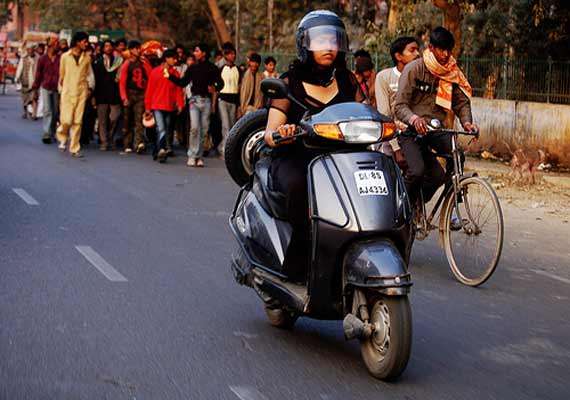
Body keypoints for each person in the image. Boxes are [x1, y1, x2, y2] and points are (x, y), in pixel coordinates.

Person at [264, 10, 364, 281]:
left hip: (341, 159)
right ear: (305, 44)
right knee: (301, 188)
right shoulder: (289, 81)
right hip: (297, 158)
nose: (328, 47)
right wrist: (281, 132)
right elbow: (269, 133)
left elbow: (366, 112)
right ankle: (297, 264)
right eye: (320, 41)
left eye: (333, 41)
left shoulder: (347, 80)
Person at [394, 26, 478, 206]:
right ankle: (403, 208)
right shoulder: (414, 69)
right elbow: (399, 106)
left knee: (455, 158)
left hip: (435, 129)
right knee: (417, 171)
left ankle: (450, 205)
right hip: (411, 131)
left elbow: (461, 102)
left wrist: (467, 122)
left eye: (449, 50)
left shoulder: (450, 71)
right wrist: (413, 119)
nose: (446, 54)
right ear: (431, 47)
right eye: (442, 49)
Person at [166, 43, 223, 167]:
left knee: (204, 130)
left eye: (197, 51)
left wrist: (214, 87)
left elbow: (221, 84)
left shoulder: (212, 68)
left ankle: (199, 156)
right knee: (194, 128)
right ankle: (192, 155)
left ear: (204, 53)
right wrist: (170, 77)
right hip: (194, 101)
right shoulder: (192, 68)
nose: (195, 53)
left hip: (206, 101)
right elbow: (182, 82)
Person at [375, 36, 420, 166]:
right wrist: (396, 148)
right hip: (391, 139)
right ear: (398, 56)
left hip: (415, 137)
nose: (417, 54)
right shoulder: (384, 77)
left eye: (418, 50)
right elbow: (384, 114)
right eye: (412, 50)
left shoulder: (420, 77)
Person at [56, 31, 94, 158]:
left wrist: (89, 88)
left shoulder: (87, 58)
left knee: (77, 121)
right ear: (77, 42)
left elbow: (89, 75)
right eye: (84, 41)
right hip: (67, 92)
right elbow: (61, 76)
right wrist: (61, 90)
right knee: (66, 120)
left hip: (81, 92)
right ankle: (62, 134)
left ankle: (74, 148)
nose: (86, 44)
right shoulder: (65, 57)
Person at [144, 48, 184, 163]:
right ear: (166, 59)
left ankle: (157, 150)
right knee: (161, 128)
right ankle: (161, 149)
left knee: (165, 129)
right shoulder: (155, 72)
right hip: (157, 105)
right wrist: (147, 107)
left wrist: (180, 104)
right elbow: (149, 90)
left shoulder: (175, 73)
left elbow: (178, 90)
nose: (175, 60)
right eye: (173, 58)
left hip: (170, 106)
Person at [120, 40, 152, 154]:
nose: (138, 50)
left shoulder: (144, 62)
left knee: (139, 120)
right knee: (127, 120)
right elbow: (122, 82)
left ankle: (138, 143)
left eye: (139, 48)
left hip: (141, 94)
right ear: (131, 50)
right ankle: (127, 144)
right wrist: (124, 98)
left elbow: (150, 77)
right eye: (136, 48)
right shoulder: (126, 64)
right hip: (129, 93)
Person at [93, 40, 123, 151]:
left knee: (114, 117)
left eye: (110, 45)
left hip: (115, 94)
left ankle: (109, 137)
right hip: (101, 94)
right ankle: (104, 142)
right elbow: (94, 80)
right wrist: (93, 97)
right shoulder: (97, 62)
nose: (108, 47)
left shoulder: (118, 61)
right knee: (102, 120)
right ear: (102, 48)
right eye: (106, 46)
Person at [33, 37, 61, 144]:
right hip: (45, 87)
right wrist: (35, 86)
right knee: (47, 110)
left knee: (55, 112)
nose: (57, 46)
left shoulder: (60, 58)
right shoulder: (42, 59)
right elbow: (38, 74)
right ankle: (46, 133)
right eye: (56, 44)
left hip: (57, 88)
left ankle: (52, 131)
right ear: (50, 46)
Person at [217, 44, 240, 159]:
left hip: (234, 100)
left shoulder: (238, 69)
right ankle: (225, 150)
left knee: (231, 126)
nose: (233, 56)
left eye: (234, 53)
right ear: (225, 56)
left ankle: (222, 145)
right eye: (230, 54)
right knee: (225, 125)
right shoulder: (221, 68)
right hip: (223, 100)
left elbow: (239, 86)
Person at [16, 43, 38, 119]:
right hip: (25, 81)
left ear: (33, 50)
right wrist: (17, 78)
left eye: (31, 49)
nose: (29, 51)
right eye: (28, 50)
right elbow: (20, 68)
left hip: (35, 82)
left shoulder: (38, 58)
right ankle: (25, 112)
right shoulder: (23, 58)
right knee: (25, 99)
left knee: (34, 98)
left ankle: (34, 114)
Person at [239, 52, 263, 116]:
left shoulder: (261, 76)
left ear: (259, 64)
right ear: (249, 63)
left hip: (257, 107)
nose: (254, 64)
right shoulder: (244, 74)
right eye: (253, 62)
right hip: (246, 107)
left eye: (256, 62)